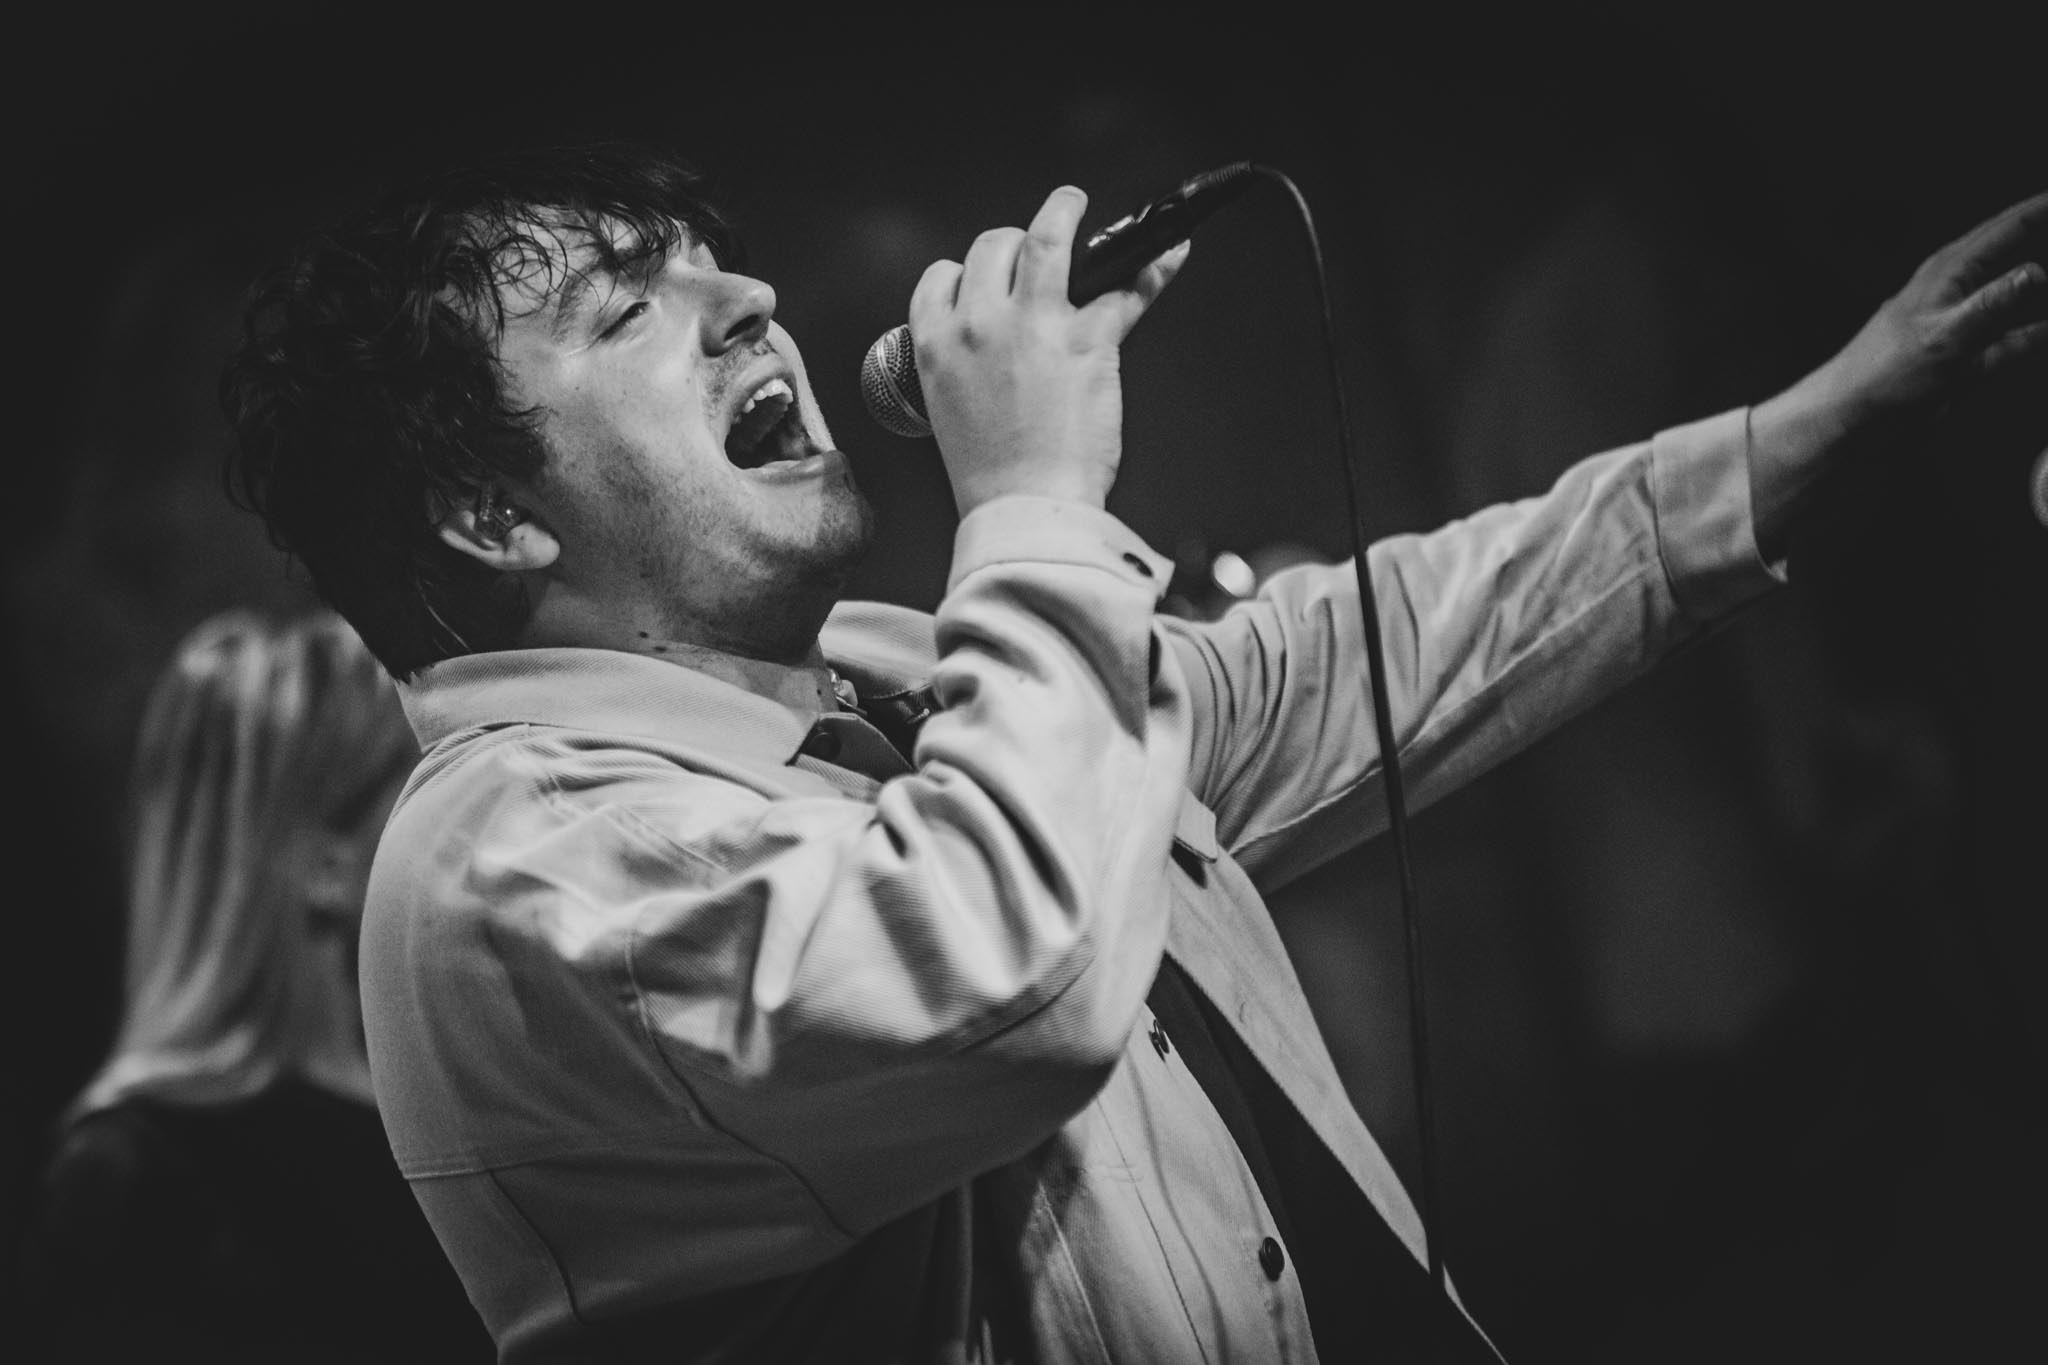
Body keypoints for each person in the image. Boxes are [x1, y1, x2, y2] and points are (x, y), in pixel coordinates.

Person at [216, 141, 2046, 1362]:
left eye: (718, 268)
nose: (748, 302)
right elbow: (1005, 979)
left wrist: (1811, 430)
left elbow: (1361, 654)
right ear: (488, 512)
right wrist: (1028, 496)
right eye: (633, 309)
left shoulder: (887, 695)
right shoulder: (516, 861)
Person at [18, 610, 494, 1364]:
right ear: (327, 866)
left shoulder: (456, 1139)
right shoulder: (132, 1178)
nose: (471, 827)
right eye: (426, 786)